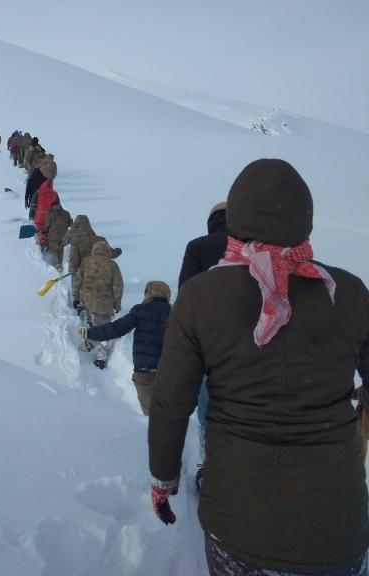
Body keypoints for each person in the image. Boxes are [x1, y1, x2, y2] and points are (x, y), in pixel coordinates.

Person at [148, 159, 369, 576]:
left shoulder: (199, 297)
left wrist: (163, 478)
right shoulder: (349, 293)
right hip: (339, 528)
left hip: (238, 529)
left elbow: (171, 401)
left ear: (236, 218)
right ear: (305, 218)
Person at [177, 200, 228, 488]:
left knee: (209, 405)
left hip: (208, 346)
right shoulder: (257, 250)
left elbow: (187, 298)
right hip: (253, 345)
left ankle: (211, 467)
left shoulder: (198, 248)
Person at [77, 280, 171, 411]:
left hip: (144, 372)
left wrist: (90, 333)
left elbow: (116, 329)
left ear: (148, 294)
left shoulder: (141, 311)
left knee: (150, 414)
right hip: (169, 372)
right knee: (168, 411)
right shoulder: (175, 314)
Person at [73, 240, 124, 368]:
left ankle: (88, 344)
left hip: (88, 300)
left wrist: (76, 297)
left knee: (93, 322)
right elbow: (118, 286)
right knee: (104, 329)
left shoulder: (86, 262)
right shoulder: (112, 265)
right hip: (104, 302)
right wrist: (117, 304)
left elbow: (77, 280)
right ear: (107, 251)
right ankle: (100, 357)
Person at [178, 201, 227, 288]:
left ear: (211, 222)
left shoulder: (195, 246)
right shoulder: (250, 245)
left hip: (206, 300)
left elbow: (185, 286)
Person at [44, 200, 72, 270]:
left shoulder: (50, 213)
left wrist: (44, 231)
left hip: (53, 236)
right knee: (61, 249)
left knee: (53, 250)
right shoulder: (66, 213)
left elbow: (47, 225)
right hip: (64, 235)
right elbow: (70, 224)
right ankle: (61, 263)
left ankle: (57, 264)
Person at [30, 180, 58, 249]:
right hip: (50, 218)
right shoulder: (54, 194)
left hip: (39, 217)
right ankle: (48, 242)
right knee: (48, 230)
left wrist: (31, 215)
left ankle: (41, 240)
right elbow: (58, 207)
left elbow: (33, 204)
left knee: (40, 229)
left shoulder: (38, 192)